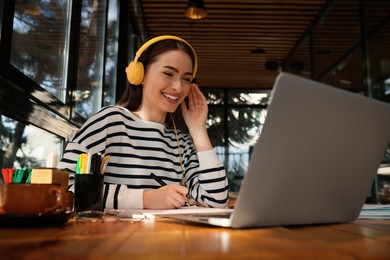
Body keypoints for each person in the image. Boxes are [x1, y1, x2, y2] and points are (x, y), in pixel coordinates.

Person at [58, 35, 229, 210]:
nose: (178, 87)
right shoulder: (109, 122)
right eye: (168, 74)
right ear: (139, 75)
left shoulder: (182, 143)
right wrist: (144, 199)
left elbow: (216, 201)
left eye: (186, 79)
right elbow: (63, 189)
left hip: (167, 237)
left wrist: (199, 130)